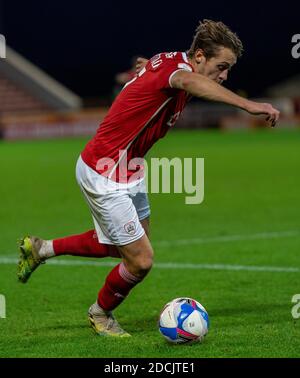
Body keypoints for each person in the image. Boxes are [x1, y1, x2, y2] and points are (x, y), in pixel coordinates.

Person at [17, 19, 280, 337]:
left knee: (123, 248)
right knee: (141, 260)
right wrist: (248, 105)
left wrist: (141, 71)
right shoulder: (182, 74)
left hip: (129, 169)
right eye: (221, 66)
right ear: (199, 56)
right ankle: (100, 314)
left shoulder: (171, 61)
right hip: (105, 172)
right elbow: (190, 82)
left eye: (228, 69)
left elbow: (160, 72)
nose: (224, 76)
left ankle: (41, 249)